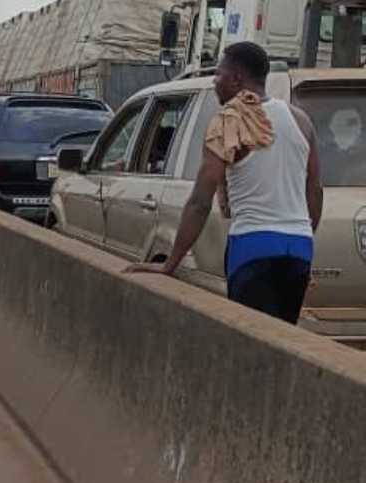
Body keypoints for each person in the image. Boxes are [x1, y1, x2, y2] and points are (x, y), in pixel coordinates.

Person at [127, 41, 323, 325]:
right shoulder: (300, 120)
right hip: (299, 247)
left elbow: (200, 201)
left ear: (236, 78)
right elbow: (315, 190)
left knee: (250, 337)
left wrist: (170, 264)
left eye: (218, 73)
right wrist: (304, 238)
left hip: (252, 245)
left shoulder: (227, 122)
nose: (214, 81)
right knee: (283, 336)